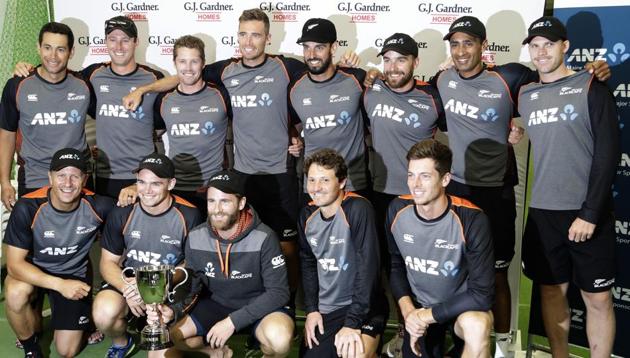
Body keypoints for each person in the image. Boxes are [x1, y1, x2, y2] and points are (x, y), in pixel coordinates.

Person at [519, 16, 619, 358]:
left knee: (598, 297)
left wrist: (590, 213)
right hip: (545, 212)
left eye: (549, 44)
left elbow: (608, 155)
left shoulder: (591, 85)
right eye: (535, 45)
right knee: (550, 292)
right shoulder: (526, 93)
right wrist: (511, 131)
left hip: (587, 213)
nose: (542, 52)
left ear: (566, 46)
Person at [13, 16, 166, 199]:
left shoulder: (153, 77)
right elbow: (55, 71)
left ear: (136, 42)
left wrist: (143, 89)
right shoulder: (93, 75)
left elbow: (180, 82)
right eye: (112, 40)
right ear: (105, 42)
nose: (119, 47)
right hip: (103, 177)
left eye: (125, 40)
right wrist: (29, 69)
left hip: (143, 177)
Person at [146, 170, 293, 357]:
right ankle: (215, 352)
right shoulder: (196, 237)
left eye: (225, 201)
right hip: (216, 305)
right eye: (211, 201)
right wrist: (174, 311)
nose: (217, 209)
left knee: (279, 341)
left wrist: (232, 322)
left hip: (258, 305)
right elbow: (193, 286)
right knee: (169, 336)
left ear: (241, 203)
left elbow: (279, 293)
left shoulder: (265, 237)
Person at [363, 32, 446, 358]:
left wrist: (511, 128)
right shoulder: (370, 88)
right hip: (381, 195)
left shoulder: (433, 96)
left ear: (415, 62)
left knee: (420, 270)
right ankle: (396, 331)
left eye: (401, 59)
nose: (393, 67)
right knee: (387, 268)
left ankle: (422, 332)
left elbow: (467, 124)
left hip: (420, 198)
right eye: (387, 59)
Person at [387, 139, 494, 357]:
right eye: (411, 175)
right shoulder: (397, 210)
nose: (415, 184)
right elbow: (395, 266)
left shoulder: (472, 219)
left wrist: (426, 316)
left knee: (478, 326)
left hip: (460, 310)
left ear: (445, 179)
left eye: (425, 176)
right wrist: (409, 314)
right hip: (418, 308)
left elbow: (482, 295)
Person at [4, 148, 114, 358]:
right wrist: (59, 285)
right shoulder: (28, 206)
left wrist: (136, 188)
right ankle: (31, 348)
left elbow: (133, 216)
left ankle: (84, 317)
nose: (68, 183)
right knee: (16, 293)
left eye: (75, 176)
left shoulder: (99, 206)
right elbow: (14, 265)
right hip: (32, 273)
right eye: (61, 175)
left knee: (67, 351)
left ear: (85, 179)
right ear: (50, 178)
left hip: (73, 273)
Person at [93, 153, 202, 357]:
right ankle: (122, 343)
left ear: (171, 184)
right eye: (141, 182)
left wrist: (158, 283)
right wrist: (130, 288)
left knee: (161, 353)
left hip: (169, 286)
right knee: (103, 312)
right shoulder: (122, 213)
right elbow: (107, 262)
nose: (147, 190)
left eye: (156, 184)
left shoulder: (189, 215)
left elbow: (191, 265)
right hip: (131, 281)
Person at [116, 35, 231, 218]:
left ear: (203, 63)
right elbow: (147, 135)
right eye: (182, 61)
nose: (188, 68)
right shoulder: (164, 100)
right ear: (175, 63)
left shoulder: (221, 95)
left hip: (213, 189)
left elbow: (246, 123)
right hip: (175, 188)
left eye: (194, 61)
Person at [298, 148, 388, 358]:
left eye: (324, 181)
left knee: (353, 353)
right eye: (311, 180)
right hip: (328, 310)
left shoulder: (358, 209)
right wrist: (311, 310)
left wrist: (353, 323)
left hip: (363, 307)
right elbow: (308, 263)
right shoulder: (307, 215)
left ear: (341, 182)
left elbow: (368, 268)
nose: (316, 188)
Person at [0, 22, 93, 211]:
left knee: (79, 239)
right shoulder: (17, 86)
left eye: (60, 49)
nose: (53, 56)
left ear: (71, 52)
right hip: (35, 178)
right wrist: (4, 182)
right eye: (47, 48)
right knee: (34, 239)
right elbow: (6, 135)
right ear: (38, 47)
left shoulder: (84, 85)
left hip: (75, 179)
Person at [289, 18, 370, 197]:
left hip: (353, 183)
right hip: (314, 186)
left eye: (319, 47)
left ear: (333, 48)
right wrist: (295, 138)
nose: (311, 54)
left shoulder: (356, 79)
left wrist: (375, 73)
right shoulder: (296, 86)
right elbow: (291, 123)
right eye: (306, 47)